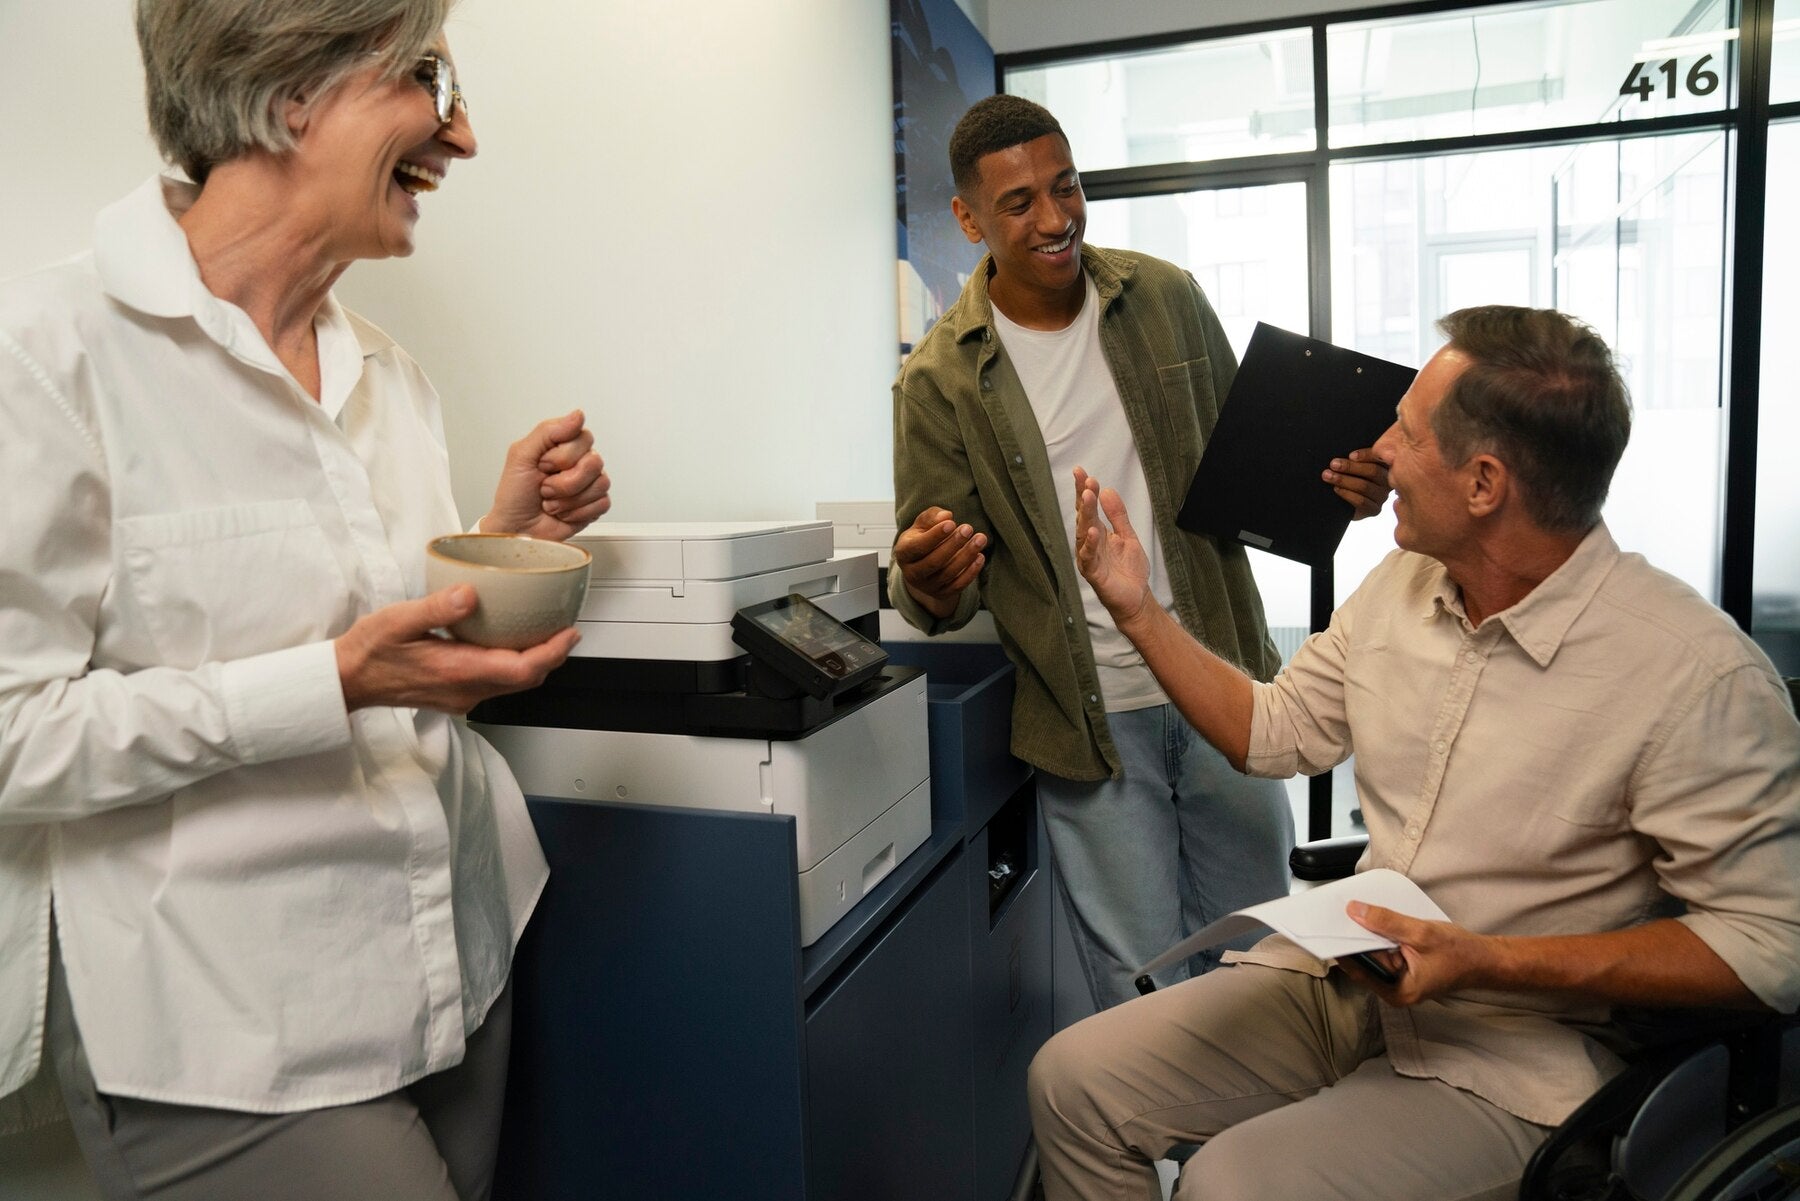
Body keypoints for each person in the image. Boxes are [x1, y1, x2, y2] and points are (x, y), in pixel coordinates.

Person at [0, 2, 612, 1197]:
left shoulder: (390, 376)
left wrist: (498, 553)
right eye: (427, 80)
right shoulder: (49, 355)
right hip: (233, 1033)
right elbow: (13, 734)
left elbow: (391, 659)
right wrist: (331, 681)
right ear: (294, 89)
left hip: (460, 961)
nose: (464, 135)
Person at [1030, 305, 1800, 1201]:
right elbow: (1272, 730)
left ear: (1484, 483)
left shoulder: (1694, 675)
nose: (1379, 449)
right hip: (1353, 985)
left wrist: (1484, 959)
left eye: (1408, 430)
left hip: (1512, 1049)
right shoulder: (1403, 583)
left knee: (1228, 1185)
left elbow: (1769, 947)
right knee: (1073, 1079)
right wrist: (1135, 608)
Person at [889, 94, 1391, 1009]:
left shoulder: (1162, 296)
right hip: (1090, 724)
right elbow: (938, 589)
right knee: (1143, 981)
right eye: (1019, 203)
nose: (1055, 218)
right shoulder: (939, 379)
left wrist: (1345, 491)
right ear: (967, 219)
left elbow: (1254, 471)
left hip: (1221, 685)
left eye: (1066, 186)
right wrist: (922, 575)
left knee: (1264, 955)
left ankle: (1254, 1154)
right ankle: (1177, 1159)